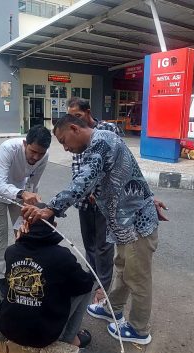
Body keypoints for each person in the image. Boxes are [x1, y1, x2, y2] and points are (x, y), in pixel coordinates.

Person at [21, 114, 168, 345]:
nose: (66, 148)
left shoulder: (100, 143)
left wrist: (51, 208)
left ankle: (139, 330)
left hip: (136, 223)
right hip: (123, 223)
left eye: (63, 141)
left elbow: (83, 180)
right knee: (122, 267)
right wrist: (149, 198)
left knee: (138, 277)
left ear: (74, 128)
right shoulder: (103, 139)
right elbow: (128, 174)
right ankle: (113, 308)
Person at [0, 215, 94, 349]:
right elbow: (85, 283)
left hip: (7, 328)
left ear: (24, 225)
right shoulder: (62, 256)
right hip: (42, 336)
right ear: (54, 226)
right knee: (89, 285)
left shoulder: (11, 251)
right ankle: (70, 338)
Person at [0, 125, 51, 297]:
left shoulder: (44, 156)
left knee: (23, 233)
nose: (36, 157)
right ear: (24, 143)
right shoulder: (9, 148)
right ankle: (1, 276)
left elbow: (33, 183)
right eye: (32, 152)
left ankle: (21, 270)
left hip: (20, 194)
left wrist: (32, 199)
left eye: (40, 154)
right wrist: (23, 193)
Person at [66, 97, 121, 304]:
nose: (76, 121)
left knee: (104, 245)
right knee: (89, 242)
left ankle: (103, 287)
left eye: (78, 116)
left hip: (103, 198)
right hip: (83, 198)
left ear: (88, 112)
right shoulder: (75, 131)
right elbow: (77, 168)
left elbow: (111, 161)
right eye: (72, 117)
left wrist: (95, 187)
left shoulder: (107, 130)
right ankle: (93, 277)